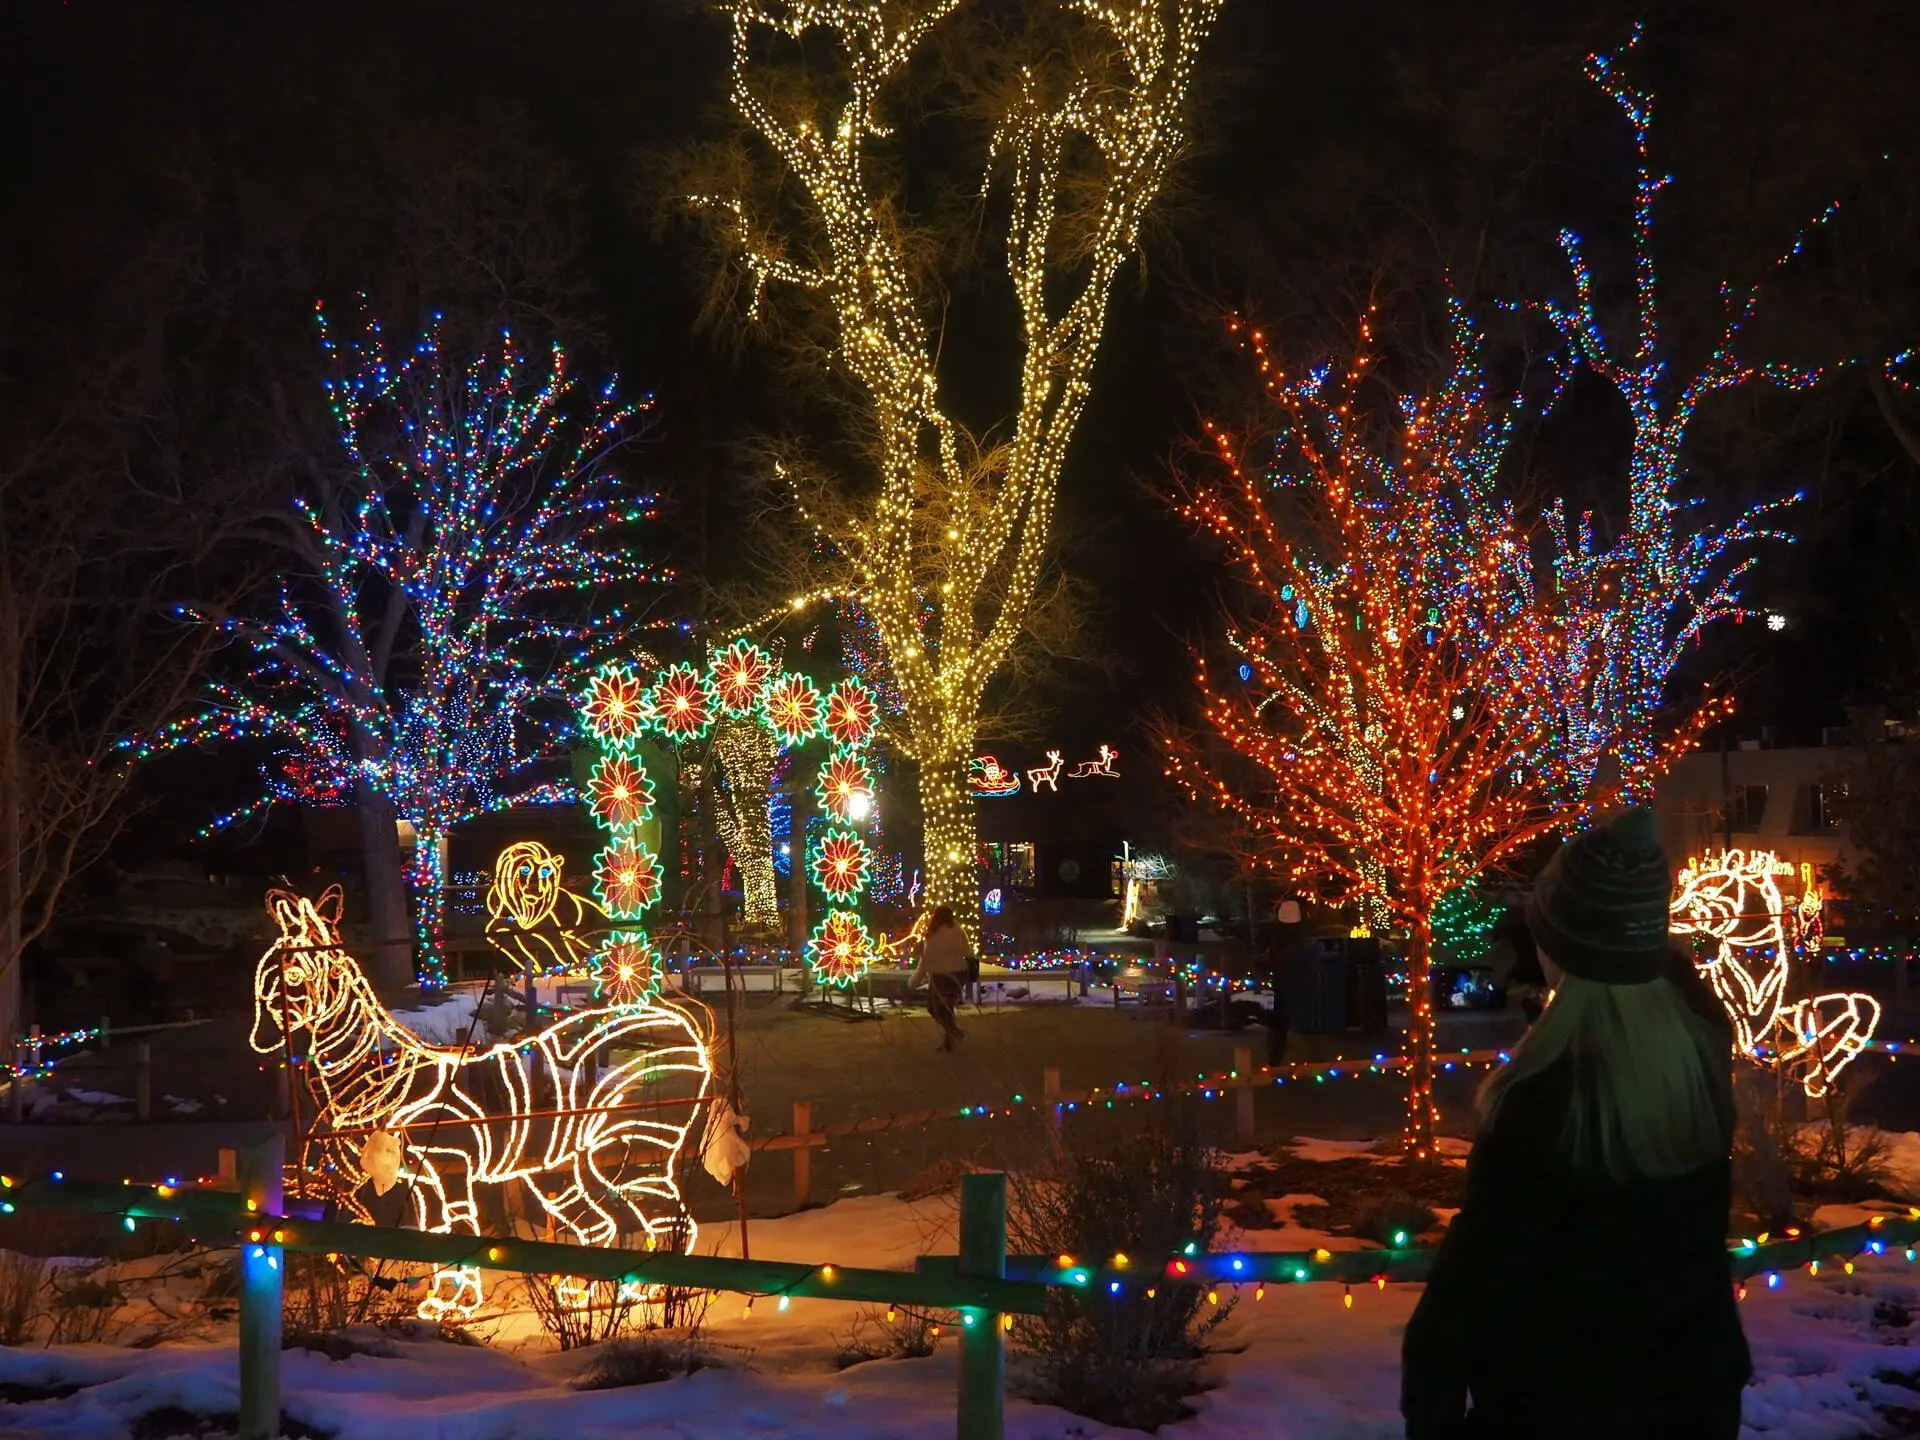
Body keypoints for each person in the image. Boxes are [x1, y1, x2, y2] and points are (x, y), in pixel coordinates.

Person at [1401, 809, 1749, 1439]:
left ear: (1559, 949)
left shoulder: (1543, 1096)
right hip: (1693, 1399)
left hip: (1557, 1409)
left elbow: (1468, 1296)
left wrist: (1434, 1414)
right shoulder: (1696, 1054)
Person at [911, 906, 970, 1051]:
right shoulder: (958, 930)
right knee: (947, 1007)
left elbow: (926, 960)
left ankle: (953, 1032)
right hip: (958, 975)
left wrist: (913, 982)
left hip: (940, 977)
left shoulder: (932, 935)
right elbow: (967, 951)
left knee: (934, 1007)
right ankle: (949, 1039)